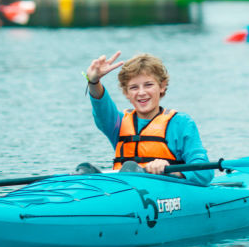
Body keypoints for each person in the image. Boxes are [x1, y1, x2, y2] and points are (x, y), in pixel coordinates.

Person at [85, 52, 213, 186]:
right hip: (125, 190)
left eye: (148, 85)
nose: (141, 92)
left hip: (167, 191)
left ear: (162, 86)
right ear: (126, 93)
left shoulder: (181, 123)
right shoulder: (117, 123)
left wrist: (170, 171)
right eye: (134, 87)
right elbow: (102, 108)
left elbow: (205, 172)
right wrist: (93, 81)